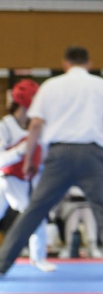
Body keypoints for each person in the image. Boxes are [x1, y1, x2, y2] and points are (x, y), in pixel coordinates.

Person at [0, 46, 103, 279]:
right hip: (93, 156)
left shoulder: (51, 86)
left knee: (34, 211)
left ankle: (2, 265)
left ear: (65, 64)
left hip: (59, 155)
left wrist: (29, 159)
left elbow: (35, 126)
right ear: (89, 64)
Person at [0, 79, 55, 272]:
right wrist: (21, 150)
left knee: (35, 217)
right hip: (4, 180)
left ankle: (38, 258)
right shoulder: (5, 126)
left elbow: (43, 157)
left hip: (25, 182)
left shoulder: (37, 128)